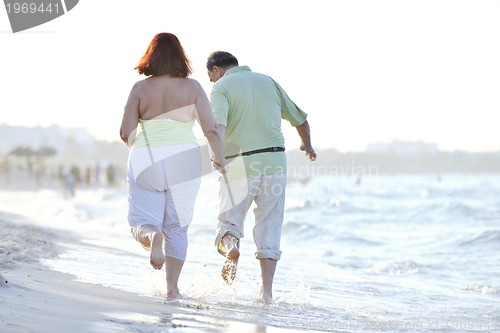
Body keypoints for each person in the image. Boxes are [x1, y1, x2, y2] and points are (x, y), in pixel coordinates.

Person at [120, 33, 226, 300]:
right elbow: (211, 130)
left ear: (150, 57)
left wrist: (142, 148)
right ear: (181, 57)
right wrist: (219, 159)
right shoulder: (193, 88)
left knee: (142, 221)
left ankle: (152, 235)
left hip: (147, 157)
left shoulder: (140, 89)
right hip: (185, 159)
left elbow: (125, 132)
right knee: (177, 226)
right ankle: (172, 289)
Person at [206, 51, 316, 303]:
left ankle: (231, 249)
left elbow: (217, 127)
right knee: (270, 227)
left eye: (210, 77)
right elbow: (300, 120)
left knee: (228, 222)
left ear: (216, 71)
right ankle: (266, 293)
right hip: (275, 163)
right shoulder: (269, 81)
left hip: (240, 164)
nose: (212, 82)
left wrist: (217, 156)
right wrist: (307, 146)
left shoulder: (222, 86)